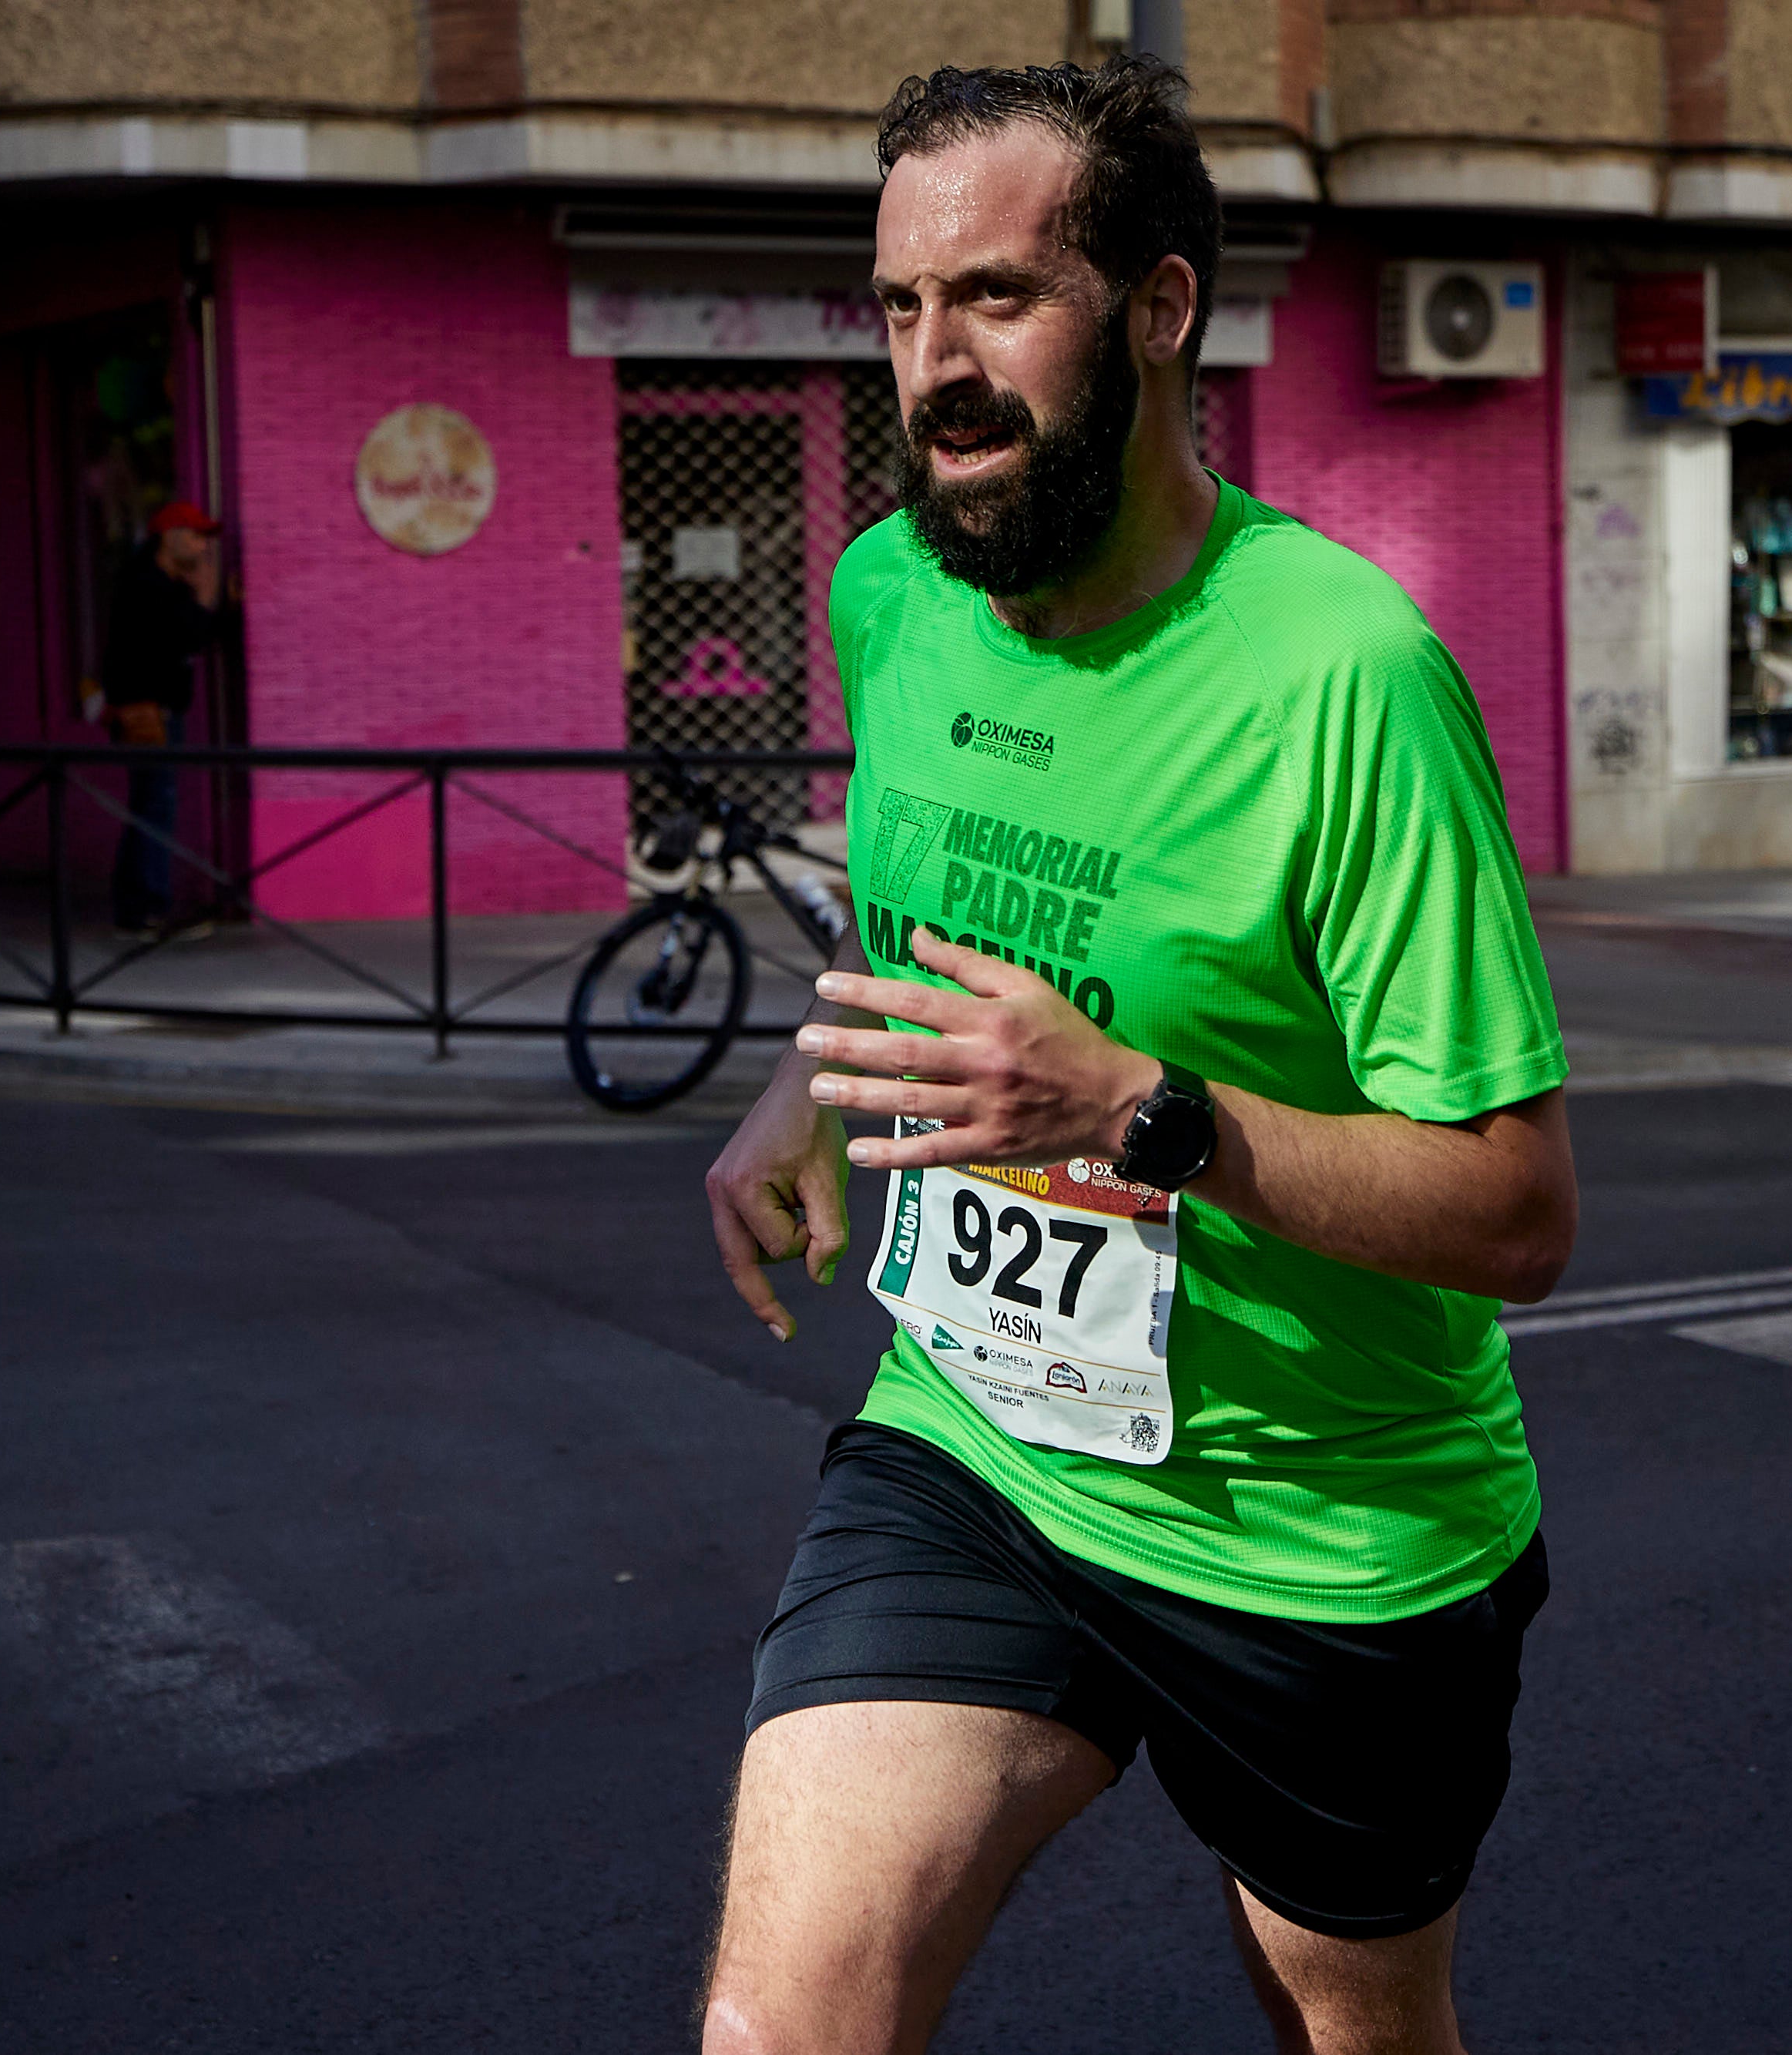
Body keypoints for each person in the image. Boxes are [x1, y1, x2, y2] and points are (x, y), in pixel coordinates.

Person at [696, 58, 1577, 2055]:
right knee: (783, 2027)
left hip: (1323, 1530)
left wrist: (1135, 1110)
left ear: (1159, 308)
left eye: (998, 297)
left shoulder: (1344, 682)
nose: (934, 367)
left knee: (1356, 2030)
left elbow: (1521, 1213)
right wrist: (797, 1086)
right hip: (978, 1448)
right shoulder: (895, 591)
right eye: (902, 308)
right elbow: (910, 909)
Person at [99, 499, 229, 939]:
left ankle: (133, 907)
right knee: (155, 804)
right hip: (149, 713)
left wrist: (211, 602)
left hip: (154, 709)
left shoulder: (163, 584)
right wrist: (207, 596)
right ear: (169, 537)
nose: (202, 547)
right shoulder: (148, 585)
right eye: (195, 536)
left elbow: (204, 634)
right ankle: (149, 909)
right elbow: (188, 634)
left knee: (147, 805)